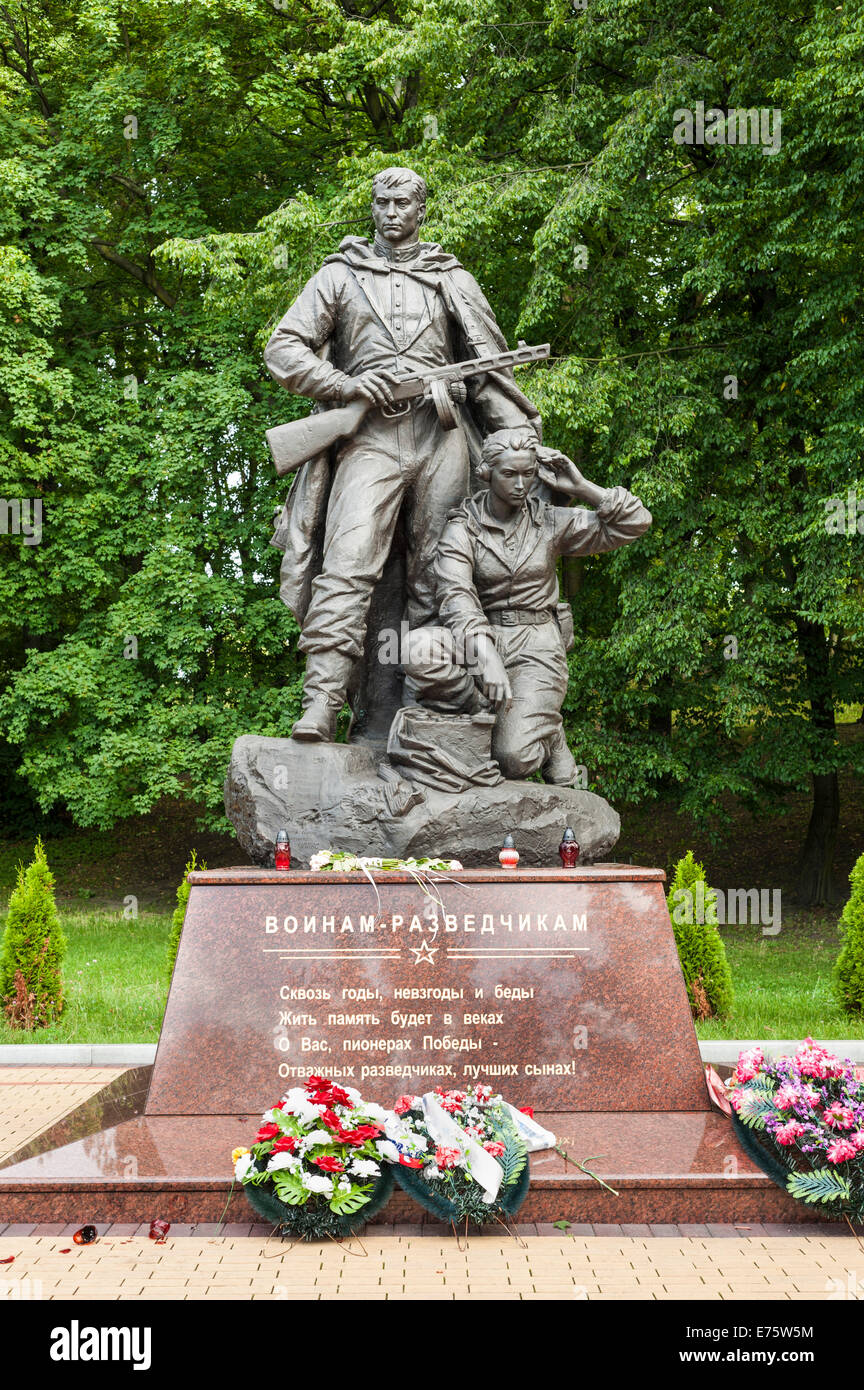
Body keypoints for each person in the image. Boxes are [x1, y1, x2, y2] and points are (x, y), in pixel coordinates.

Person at [264, 166, 541, 741]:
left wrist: (519, 444)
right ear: (372, 208)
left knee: (438, 575)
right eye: (382, 203)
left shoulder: (451, 279)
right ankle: (323, 703)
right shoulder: (339, 275)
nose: (391, 213)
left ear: (421, 211)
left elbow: (489, 374)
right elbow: (283, 349)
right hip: (368, 439)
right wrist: (343, 385)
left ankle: (424, 708)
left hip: (442, 441)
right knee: (347, 566)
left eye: (402, 204)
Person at [402, 427, 652, 784]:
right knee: (413, 649)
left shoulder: (549, 521)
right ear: (486, 473)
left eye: (528, 473)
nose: (520, 484)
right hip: (481, 635)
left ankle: (548, 734)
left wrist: (581, 487)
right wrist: (485, 655)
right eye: (509, 474)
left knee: (514, 760)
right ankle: (484, 709)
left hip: (536, 643)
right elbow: (455, 596)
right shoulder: (463, 527)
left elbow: (635, 523)